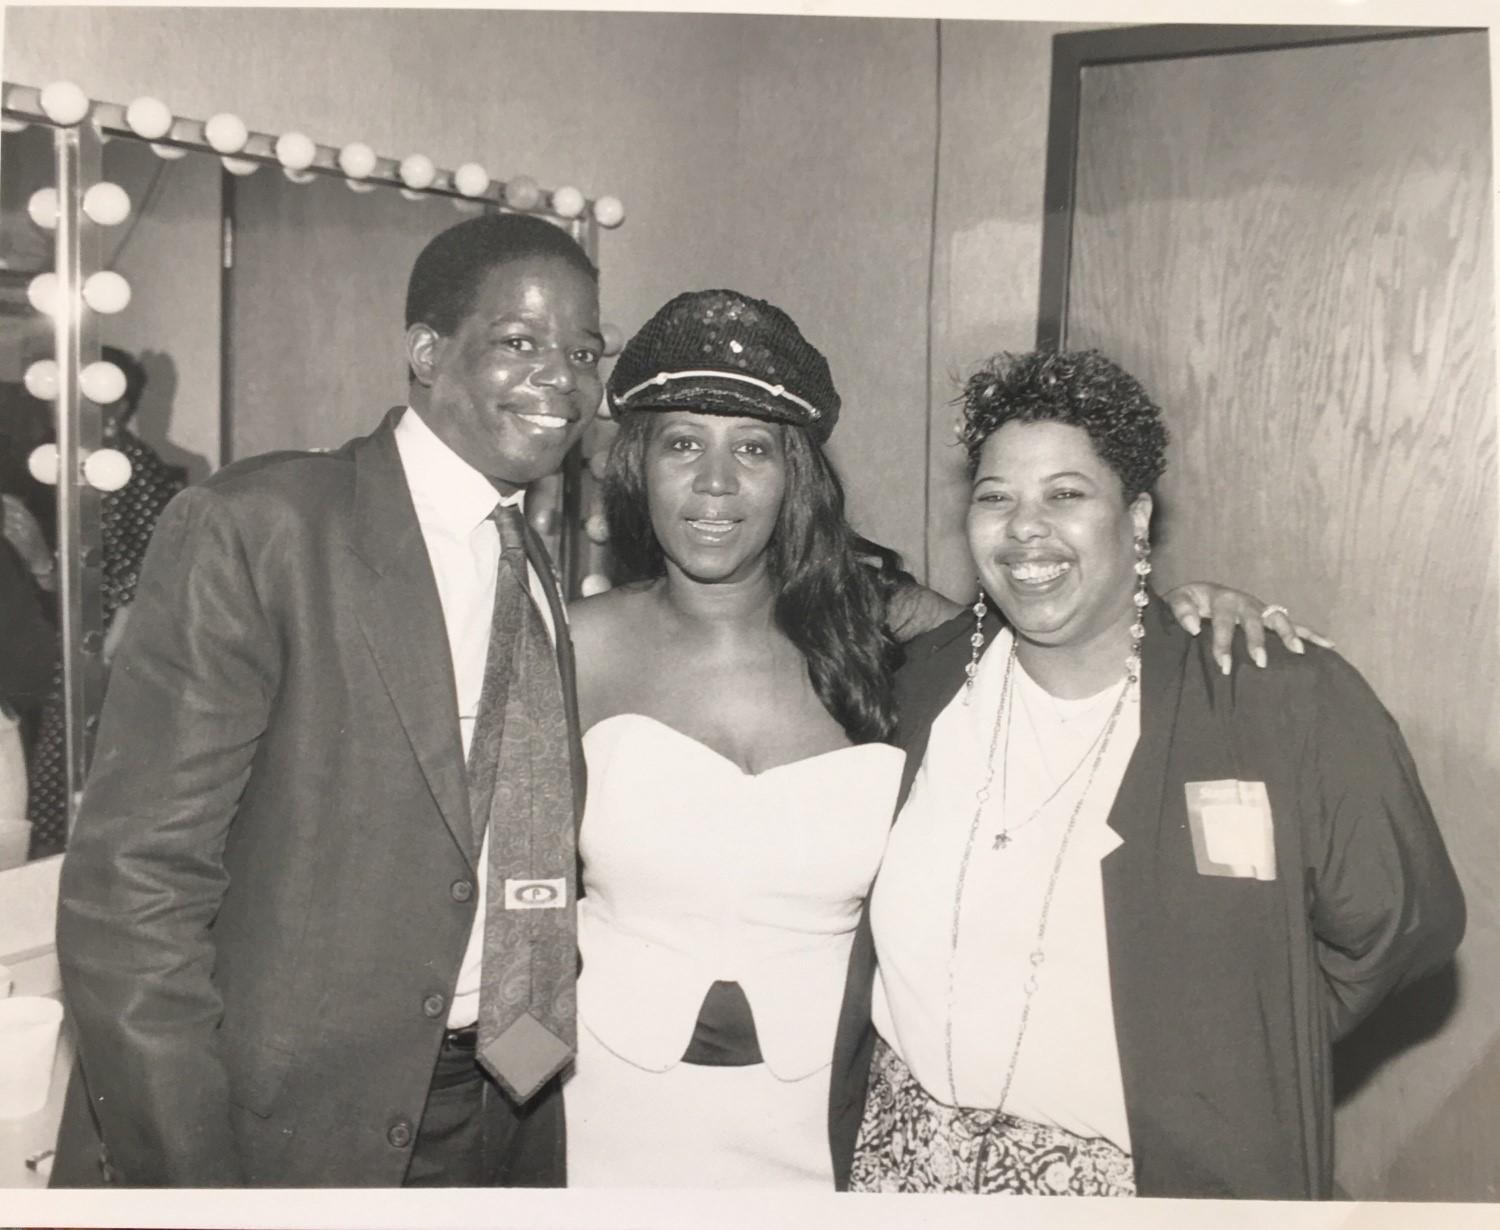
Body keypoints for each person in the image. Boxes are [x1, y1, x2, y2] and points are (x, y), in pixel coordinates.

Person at [563, 294, 1314, 1188]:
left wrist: (1188, 607)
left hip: (825, 1125)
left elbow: (1072, 630)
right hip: (603, 1106)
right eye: (684, 442)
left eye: (753, 448)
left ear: (795, 472)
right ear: (637, 463)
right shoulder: (574, 642)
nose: (716, 483)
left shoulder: (900, 640)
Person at [830, 348, 1466, 1198]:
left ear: (1135, 516)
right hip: (903, 1163)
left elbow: (1406, 925)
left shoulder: (1275, 698)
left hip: (1145, 1185)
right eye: (996, 497)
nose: (1025, 528)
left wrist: (1237, 1046)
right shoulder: (919, 687)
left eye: (1066, 494)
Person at [52, 212, 605, 1187]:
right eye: (519, 342)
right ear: (425, 352)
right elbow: (133, 898)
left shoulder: (532, 564)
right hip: (283, 1137)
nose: (562, 376)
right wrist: (196, 1191)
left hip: (504, 1108)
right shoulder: (260, 530)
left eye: (584, 350)